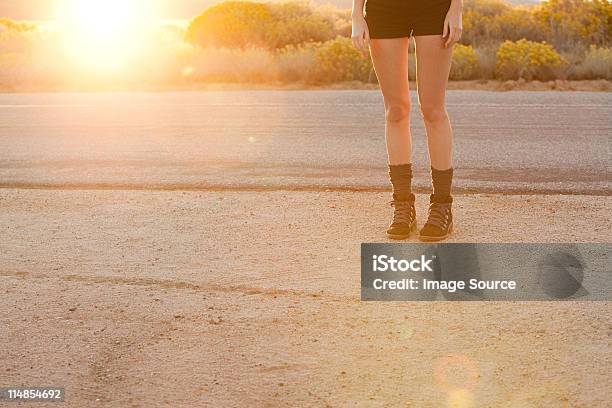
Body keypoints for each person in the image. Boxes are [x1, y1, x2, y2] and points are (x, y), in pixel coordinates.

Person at [351, 0, 462, 241]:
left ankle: (442, 206)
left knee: (433, 110)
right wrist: (356, 14)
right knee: (396, 111)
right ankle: (403, 205)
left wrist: (456, 9)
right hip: (385, 9)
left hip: (433, 7)